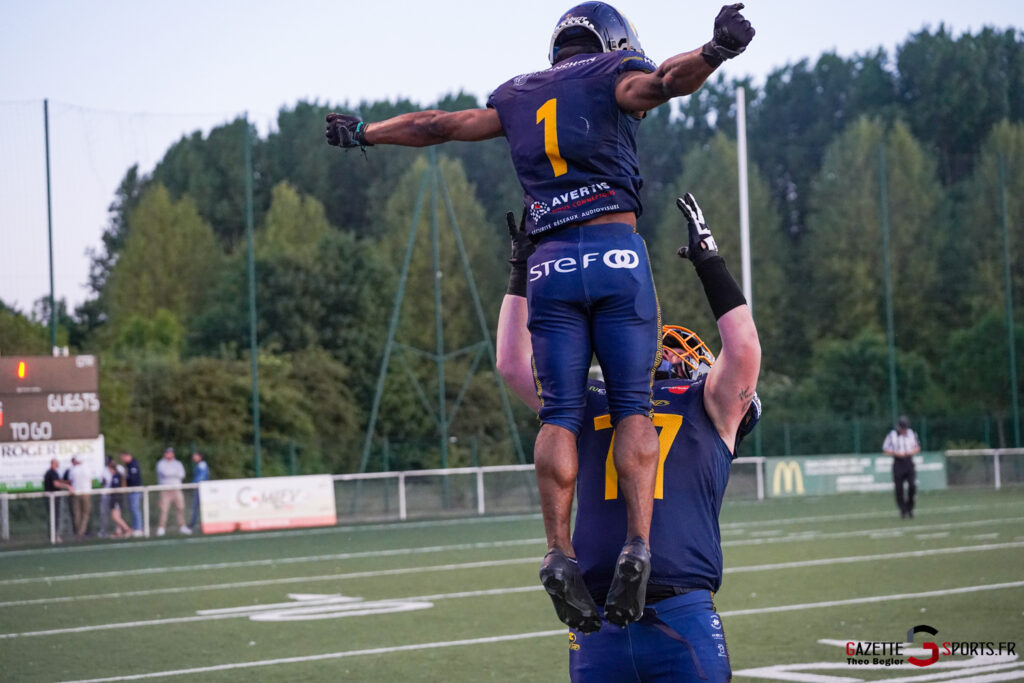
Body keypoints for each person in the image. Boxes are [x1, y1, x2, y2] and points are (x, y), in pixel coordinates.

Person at [326, 2, 755, 627]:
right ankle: (639, 543)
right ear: (612, 42)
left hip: (548, 263)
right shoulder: (616, 71)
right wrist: (716, 50)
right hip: (614, 251)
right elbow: (666, 82)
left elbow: (435, 125)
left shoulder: (518, 95)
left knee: (560, 412)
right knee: (634, 401)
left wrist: (365, 132)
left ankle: (558, 553)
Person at [498, 193, 761, 680]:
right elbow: (743, 346)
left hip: (595, 617)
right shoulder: (708, 407)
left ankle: (560, 552)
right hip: (681, 612)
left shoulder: (596, 398)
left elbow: (513, 364)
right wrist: (708, 258)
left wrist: (522, 269)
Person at [883, 415, 921, 519]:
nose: (904, 430)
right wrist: (897, 453)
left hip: (909, 461)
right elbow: (885, 449)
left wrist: (910, 452)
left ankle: (910, 508)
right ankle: (903, 510)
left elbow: (918, 447)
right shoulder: (892, 435)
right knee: (898, 488)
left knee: (912, 486)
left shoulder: (912, 434)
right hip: (898, 462)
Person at [156, 447, 191, 536]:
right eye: (168, 453)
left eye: (171, 453)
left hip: (176, 489)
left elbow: (182, 474)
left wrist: (173, 473)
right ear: (165, 454)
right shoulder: (161, 463)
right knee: (164, 509)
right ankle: (161, 528)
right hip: (165, 490)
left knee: (181, 508)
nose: (170, 454)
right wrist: (175, 473)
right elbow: (165, 473)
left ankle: (182, 526)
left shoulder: (178, 463)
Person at [66, 455, 95, 540]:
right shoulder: (87, 469)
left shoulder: (73, 470)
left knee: (77, 514)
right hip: (86, 493)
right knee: (85, 514)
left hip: (76, 493)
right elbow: (91, 480)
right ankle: (81, 532)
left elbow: (70, 481)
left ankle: (78, 532)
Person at [42, 459, 71, 543]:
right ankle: (54, 536)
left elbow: (58, 481)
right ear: (53, 464)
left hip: (52, 498)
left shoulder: (51, 473)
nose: (58, 465)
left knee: (53, 516)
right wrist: (67, 487)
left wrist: (67, 482)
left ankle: (53, 535)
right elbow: (56, 484)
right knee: (54, 517)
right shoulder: (52, 472)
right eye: (57, 463)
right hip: (53, 498)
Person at [105, 460, 132, 538]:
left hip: (117, 498)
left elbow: (117, 488)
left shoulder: (117, 476)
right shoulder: (115, 476)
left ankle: (127, 529)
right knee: (117, 515)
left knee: (115, 516)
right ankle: (118, 531)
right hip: (115, 498)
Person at [119, 451, 145, 536]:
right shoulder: (127, 465)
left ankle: (139, 528)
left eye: (123, 457)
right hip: (131, 490)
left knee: (135, 508)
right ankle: (135, 527)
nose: (122, 459)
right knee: (132, 509)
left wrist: (126, 476)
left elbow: (133, 478)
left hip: (135, 490)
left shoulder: (133, 464)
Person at [188, 451, 210, 530]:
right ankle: (195, 525)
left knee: (197, 507)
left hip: (201, 489)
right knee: (197, 507)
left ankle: (192, 526)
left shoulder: (202, 465)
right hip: (200, 488)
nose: (194, 457)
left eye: (195, 456)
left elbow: (201, 477)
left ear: (200, 457)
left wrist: (193, 484)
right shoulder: (200, 465)